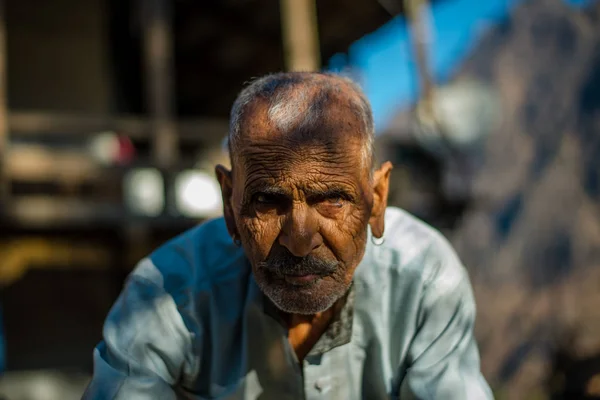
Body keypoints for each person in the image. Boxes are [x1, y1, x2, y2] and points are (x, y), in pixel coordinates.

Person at [83, 72, 492, 399]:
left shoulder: (424, 280)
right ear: (230, 201)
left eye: (332, 200)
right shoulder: (165, 294)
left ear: (377, 199)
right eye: (267, 201)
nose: (299, 240)